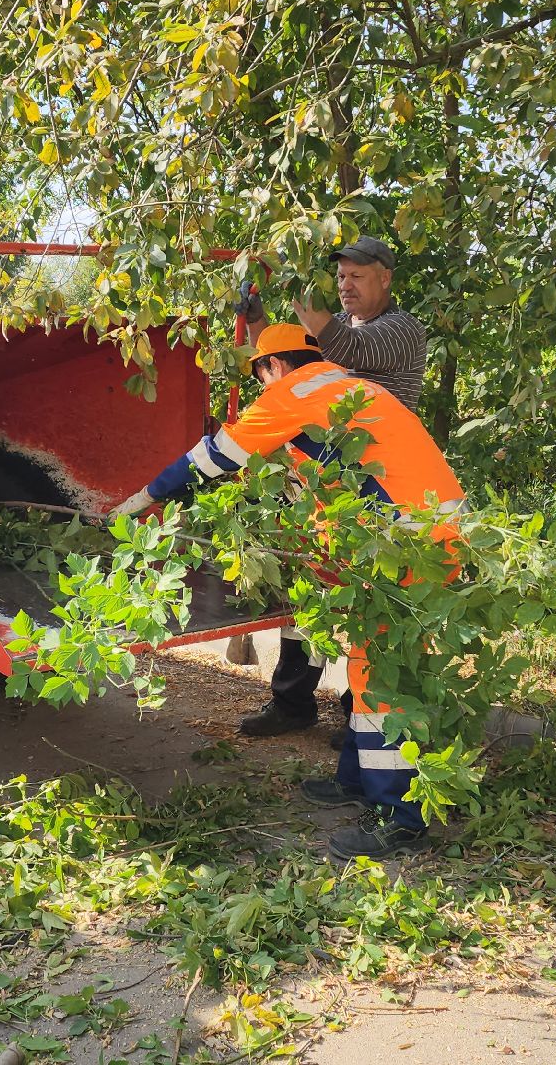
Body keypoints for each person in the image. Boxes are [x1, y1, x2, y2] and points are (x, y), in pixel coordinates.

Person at [111, 324, 464, 859]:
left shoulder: (290, 395)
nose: (260, 389)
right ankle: (356, 780)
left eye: (259, 375)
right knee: (370, 669)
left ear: (271, 368)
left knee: (383, 684)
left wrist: (142, 500)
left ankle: (401, 819)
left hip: (408, 549)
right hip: (426, 540)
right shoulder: (349, 387)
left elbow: (212, 459)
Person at [236, 237, 429, 746]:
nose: (345, 285)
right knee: (307, 596)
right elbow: (291, 367)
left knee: (369, 606)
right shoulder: (339, 332)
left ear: (385, 277)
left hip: (377, 495)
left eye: (356, 276)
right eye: (340, 276)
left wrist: (312, 305)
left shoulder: (400, 331)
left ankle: (358, 717)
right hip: (323, 490)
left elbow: (349, 349)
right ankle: (292, 703)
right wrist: (258, 322)